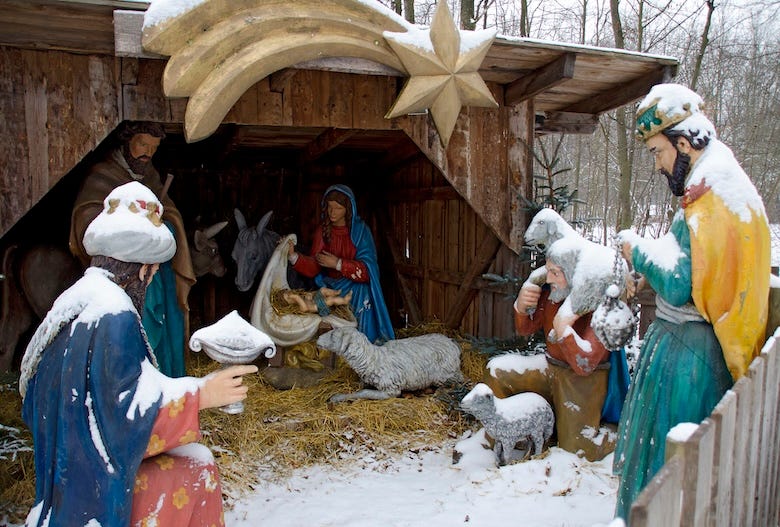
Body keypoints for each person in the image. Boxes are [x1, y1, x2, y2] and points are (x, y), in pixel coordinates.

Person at [19, 181, 257, 527]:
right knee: (198, 468)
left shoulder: (74, 299)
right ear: (141, 269)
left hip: (63, 480)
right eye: (154, 268)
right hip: (97, 492)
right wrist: (202, 394)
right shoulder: (115, 315)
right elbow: (129, 416)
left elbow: (37, 401)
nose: (154, 275)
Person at [613, 83, 770, 523]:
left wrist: (636, 250)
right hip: (700, 346)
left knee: (666, 463)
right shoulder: (719, 186)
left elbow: (682, 284)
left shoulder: (709, 200)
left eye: (658, 152)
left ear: (683, 144)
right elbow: (693, 261)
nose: (659, 164)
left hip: (689, 355)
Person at [483, 240, 630, 462]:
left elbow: (584, 365)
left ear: (574, 275)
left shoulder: (600, 306)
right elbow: (526, 329)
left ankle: (620, 438)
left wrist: (564, 326)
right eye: (548, 270)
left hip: (582, 382)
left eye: (555, 272)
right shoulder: (553, 293)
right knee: (498, 371)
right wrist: (522, 307)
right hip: (550, 367)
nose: (548, 278)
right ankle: (492, 440)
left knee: (578, 449)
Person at [69, 121, 196, 377]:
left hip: (155, 276)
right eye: (142, 144)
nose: (147, 152)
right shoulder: (103, 174)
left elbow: (170, 215)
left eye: (153, 147)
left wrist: (161, 223)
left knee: (160, 318)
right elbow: (87, 218)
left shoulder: (151, 177)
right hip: (118, 277)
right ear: (127, 141)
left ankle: (162, 375)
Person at [287, 184, 394, 343]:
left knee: (362, 290)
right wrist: (294, 256)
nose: (332, 212)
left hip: (355, 286)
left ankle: (364, 343)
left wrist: (338, 264)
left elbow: (368, 270)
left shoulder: (361, 232)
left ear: (348, 209)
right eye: (329, 207)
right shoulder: (322, 232)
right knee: (317, 300)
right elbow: (313, 267)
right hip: (330, 286)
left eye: (337, 208)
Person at [282, 287, 353, 314]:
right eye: (288, 297)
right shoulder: (297, 307)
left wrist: (309, 295)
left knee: (322, 290)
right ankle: (344, 300)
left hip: (315, 300)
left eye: (288, 293)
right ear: (288, 305)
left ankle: (335, 292)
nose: (290, 295)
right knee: (330, 300)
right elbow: (305, 308)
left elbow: (309, 298)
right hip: (319, 307)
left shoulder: (300, 297)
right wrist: (297, 297)